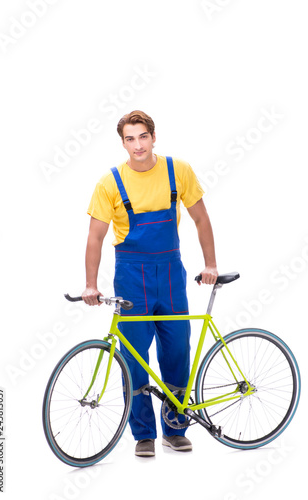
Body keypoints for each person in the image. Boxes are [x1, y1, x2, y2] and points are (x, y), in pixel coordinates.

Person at [82, 110, 218, 457]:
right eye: (130, 138)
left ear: (153, 137)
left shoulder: (178, 171)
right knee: (133, 357)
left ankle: (175, 428)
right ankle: (143, 433)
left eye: (143, 136)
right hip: (131, 276)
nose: (138, 145)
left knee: (177, 351)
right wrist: (90, 284)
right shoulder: (109, 183)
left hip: (170, 273)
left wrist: (211, 264)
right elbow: (95, 238)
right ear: (123, 143)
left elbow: (201, 218)